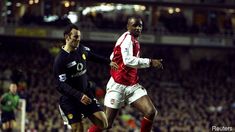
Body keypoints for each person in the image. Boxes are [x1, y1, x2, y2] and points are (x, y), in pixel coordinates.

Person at [91, 17, 163, 132]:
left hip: (131, 85)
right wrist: (150, 62)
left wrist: (115, 61)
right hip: (117, 86)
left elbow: (112, 56)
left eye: (140, 26)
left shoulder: (131, 39)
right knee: (107, 124)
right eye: (135, 25)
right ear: (128, 27)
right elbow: (128, 60)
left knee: (150, 112)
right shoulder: (128, 39)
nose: (138, 28)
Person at [53, 24, 118, 132]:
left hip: (86, 94)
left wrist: (108, 62)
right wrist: (79, 96)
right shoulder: (60, 59)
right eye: (75, 37)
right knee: (78, 129)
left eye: (79, 36)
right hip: (70, 99)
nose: (78, 39)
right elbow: (60, 85)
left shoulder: (81, 49)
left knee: (104, 123)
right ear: (67, 37)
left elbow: (92, 56)